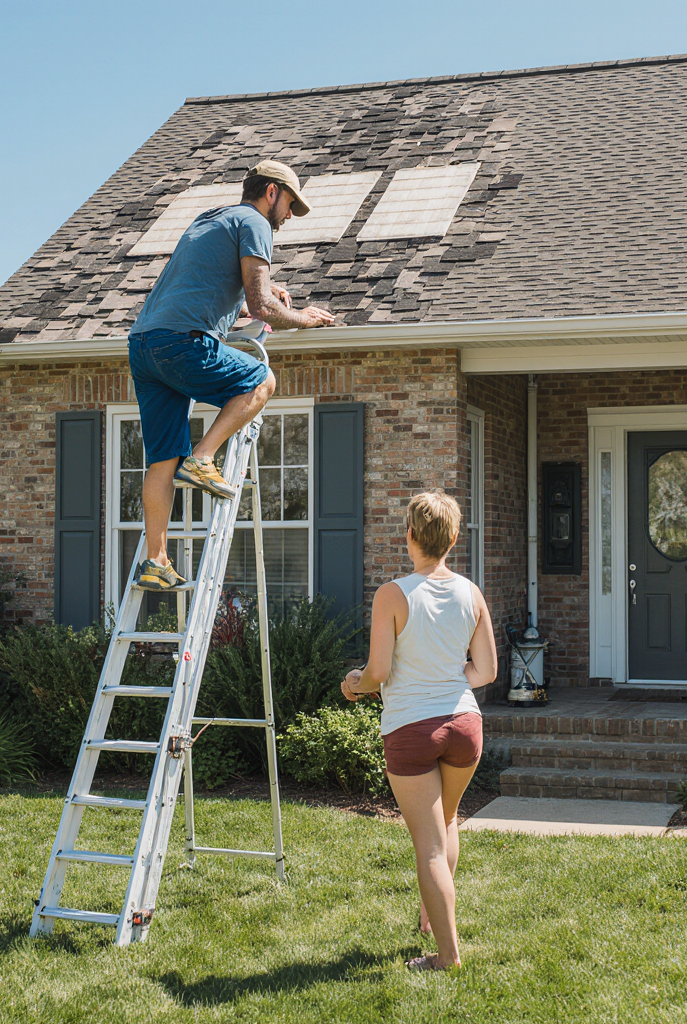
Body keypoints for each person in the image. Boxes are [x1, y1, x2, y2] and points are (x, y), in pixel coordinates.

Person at [127, 159, 335, 590]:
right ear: (272, 192)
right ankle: (203, 458)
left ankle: (156, 561)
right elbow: (262, 306)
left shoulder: (210, 220)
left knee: (162, 458)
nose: (288, 218)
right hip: (182, 342)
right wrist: (303, 317)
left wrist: (256, 297)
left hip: (145, 344)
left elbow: (217, 294)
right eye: (289, 206)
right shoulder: (255, 222)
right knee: (262, 380)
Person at [341, 491, 498, 971]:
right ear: (453, 538)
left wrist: (353, 683)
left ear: (409, 535)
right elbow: (487, 671)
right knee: (447, 821)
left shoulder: (392, 594)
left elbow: (378, 672)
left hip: (412, 729)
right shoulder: (471, 593)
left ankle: (447, 957)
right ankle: (434, 913)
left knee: (428, 845)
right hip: (466, 726)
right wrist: (446, 677)